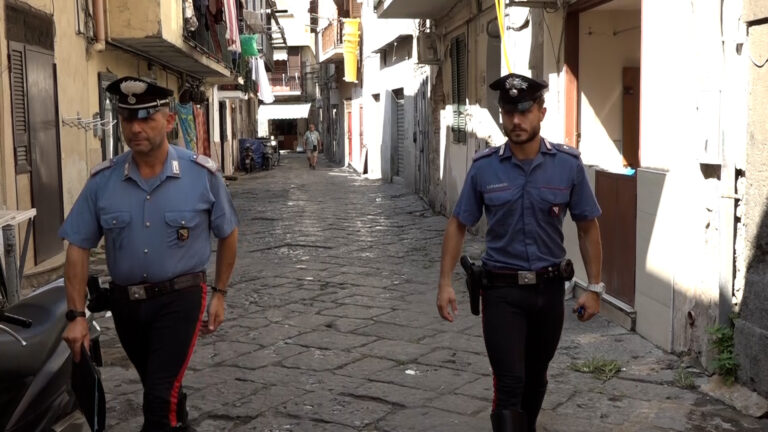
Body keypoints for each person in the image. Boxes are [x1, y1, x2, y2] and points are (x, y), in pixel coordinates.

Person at [60, 76, 239, 432]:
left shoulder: (200, 174)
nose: (135, 127)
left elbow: (228, 232)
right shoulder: (102, 182)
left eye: (146, 117)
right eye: (128, 119)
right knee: (162, 389)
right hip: (127, 305)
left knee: (157, 398)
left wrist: (219, 293)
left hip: (181, 298)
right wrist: (75, 314)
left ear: (170, 121)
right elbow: (78, 246)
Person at [435, 73, 604, 432]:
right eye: (509, 111)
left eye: (524, 111)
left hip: (549, 291)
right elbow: (458, 223)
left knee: (536, 378)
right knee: (510, 382)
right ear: (501, 115)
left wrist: (595, 288)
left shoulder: (567, 165)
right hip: (501, 294)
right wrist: (445, 282)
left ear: (541, 112)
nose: (516, 120)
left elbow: (588, 227)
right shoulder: (485, 168)